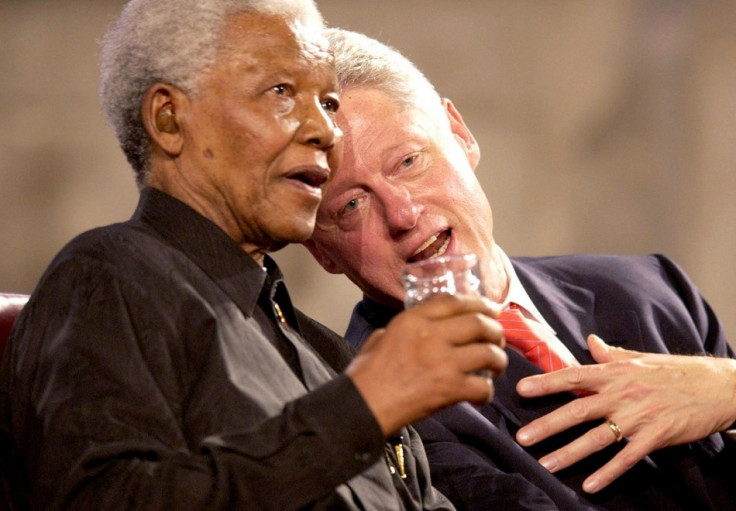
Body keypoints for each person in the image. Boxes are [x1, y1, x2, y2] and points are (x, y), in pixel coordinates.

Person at [0, 2, 510, 509]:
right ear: (169, 119)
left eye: (328, 102)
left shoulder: (328, 355)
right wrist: (362, 408)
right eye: (282, 93)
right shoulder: (107, 277)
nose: (325, 131)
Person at [305, 28, 736, 510]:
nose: (402, 215)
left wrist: (728, 388)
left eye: (408, 161)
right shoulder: (379, 418)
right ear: (321, 251)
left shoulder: (650, 287)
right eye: (351, 205)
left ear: (460, 135)